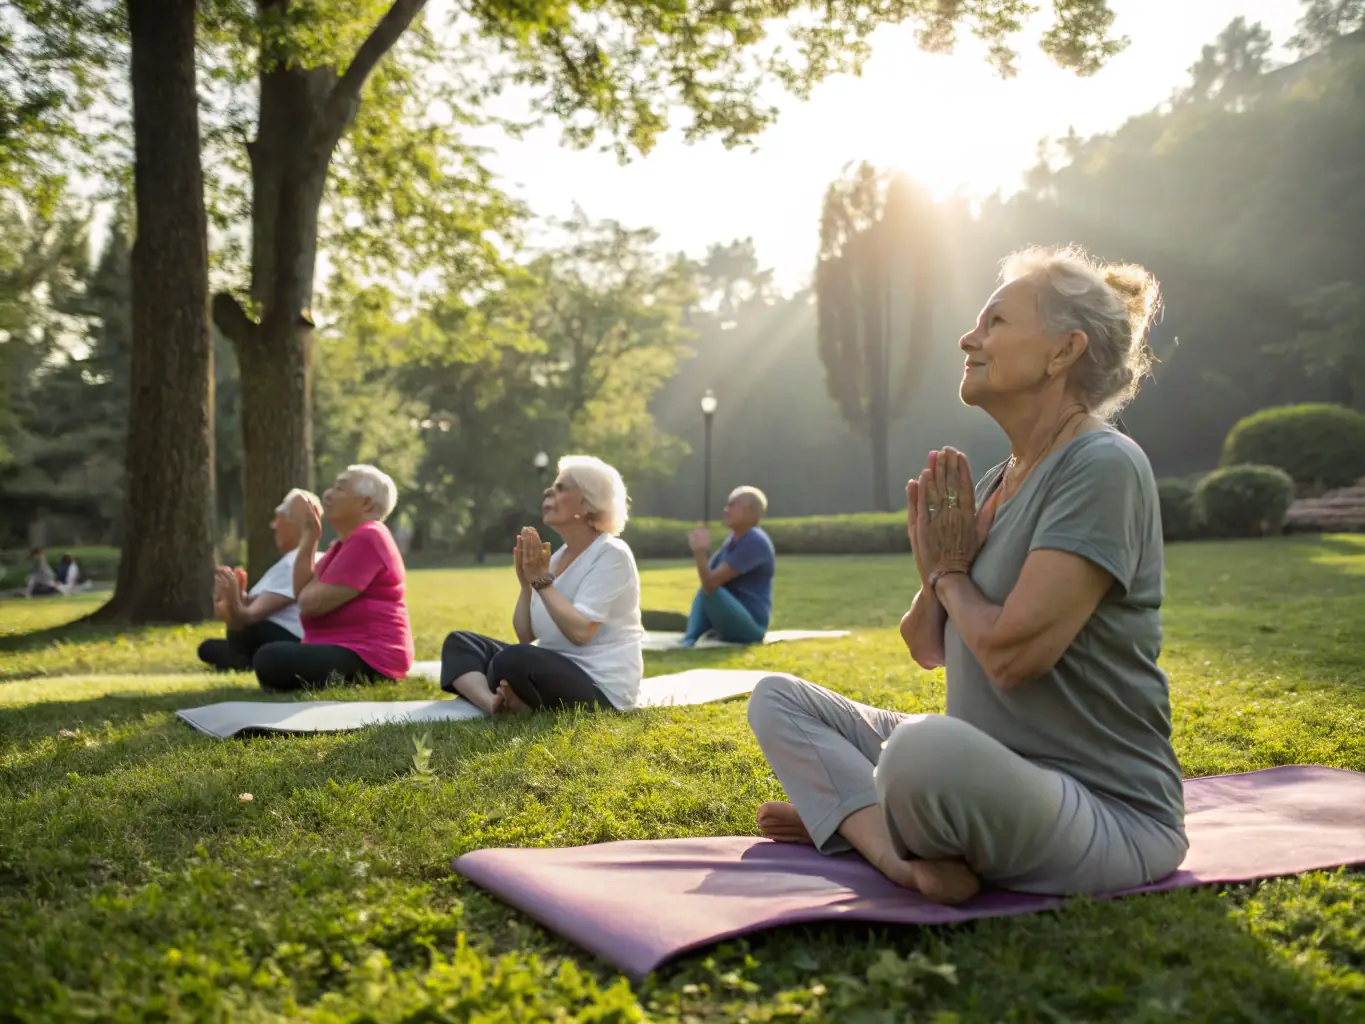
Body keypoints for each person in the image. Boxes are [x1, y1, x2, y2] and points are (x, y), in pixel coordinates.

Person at [747, 245, 1187, 906]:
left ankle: (859, 822)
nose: (967, 338)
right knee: (776, 698)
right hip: (991, 767)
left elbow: (1012, 656)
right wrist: (934, 578)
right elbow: (926, 647)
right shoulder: (993, 482)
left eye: (995, 323)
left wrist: (949, 574)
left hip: (1107, 816)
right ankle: (901, 854)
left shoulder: (1101, 465)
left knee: (920, 755)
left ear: (1062, 352)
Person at [439, 455, 644, 714]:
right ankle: (493, 705)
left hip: (600, 686)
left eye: (561, 488)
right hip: (552, 668)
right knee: (461, 643)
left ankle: (516, 700)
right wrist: (526, 585)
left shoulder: (611, 554)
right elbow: (526, 636)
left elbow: (581, 632)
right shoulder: (557, 558)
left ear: (587, 502)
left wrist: (541, 582)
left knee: (512, 660)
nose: (549, 492)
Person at [252, 465, 414, 691]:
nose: (327, 494)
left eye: (340, 488)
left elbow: (309, 605)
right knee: (269, 655)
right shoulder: (341, 545)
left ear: (366, 503)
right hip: (345, 648)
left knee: (270, 657)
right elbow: (303, 594)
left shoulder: (369, 537)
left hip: (371, 656)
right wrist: (310, 537)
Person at [197, 488, 318, 672]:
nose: (274, 526)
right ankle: (246, 658)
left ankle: (246, 659)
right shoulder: (294, 561)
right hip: (280, 637)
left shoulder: (294, 561)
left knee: (223, 644)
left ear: (296, 523)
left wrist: (233, 603)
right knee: (209, 648)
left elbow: (248, 616)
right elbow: (251, 606)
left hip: (285, 638)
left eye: (279, 517)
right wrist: (235, 598)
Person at [682, 486, 776, 646]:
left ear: (751, 511)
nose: (726, 510)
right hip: (734, 617)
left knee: (710, 590)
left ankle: (689, 639)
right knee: (706, 590)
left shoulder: (755, 541)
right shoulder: (733, 540)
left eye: (733, 505)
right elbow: (708, 579)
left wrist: (699, 552)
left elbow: (710, 585)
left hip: (752, 627)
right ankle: (690, 637)